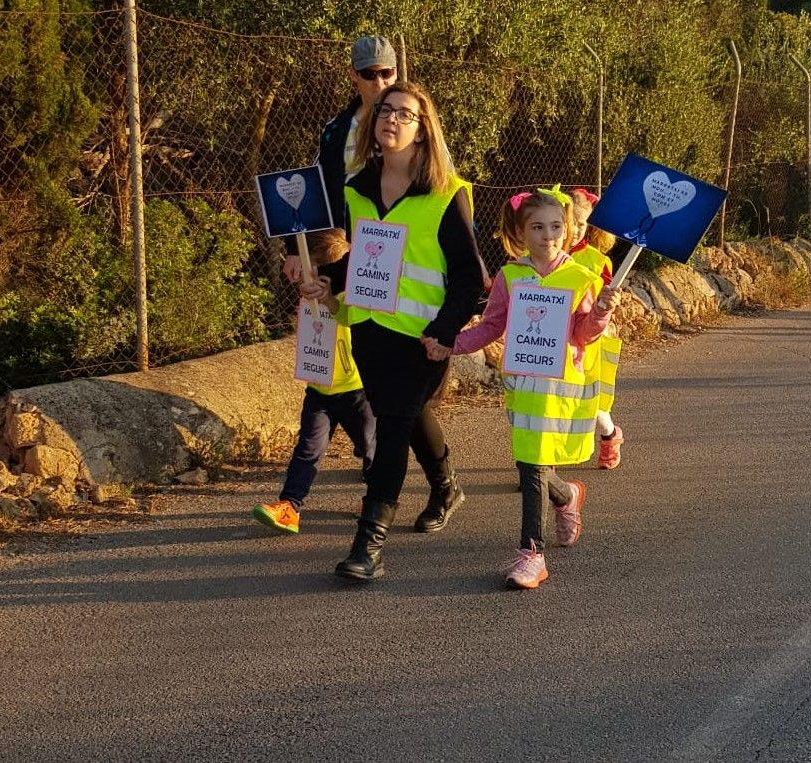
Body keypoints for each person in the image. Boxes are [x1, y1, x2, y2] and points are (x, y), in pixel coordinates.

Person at [303, 82, 486, 582]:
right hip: (366, 327)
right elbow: (361, 259)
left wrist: (446, 331)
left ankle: (369, 544)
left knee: (390, 429)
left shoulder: (446, 194)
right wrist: (324, 283)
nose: (392, 119)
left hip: (422, 338)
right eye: (386, 110)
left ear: (424, 130)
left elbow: (472, 278)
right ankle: (447, 486)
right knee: (403, 414)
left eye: (406, 114)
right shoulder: (355, 188)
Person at [437, 190, 620, 589]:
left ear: (569, 230)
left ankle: (531, 554)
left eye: (556, 227)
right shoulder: (510, 276)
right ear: (521, 232)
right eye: (537, 227)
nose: (548, 235)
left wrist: (602, 312)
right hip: (522, 385)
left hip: (559, 389)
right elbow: (492, 325)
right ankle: (566, 494)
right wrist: (451, 343)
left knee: (533, 464)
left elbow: (583, 334)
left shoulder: (581, 278)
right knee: (529, 464)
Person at [253, 231, 376, 534]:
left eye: (316, 270)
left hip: (355, 390)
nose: (308, 277)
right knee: (308, 448)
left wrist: (331, 301)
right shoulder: (306, 295)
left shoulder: (350, 295)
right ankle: (289, 505)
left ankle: (376, 499)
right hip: (319, 389)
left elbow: (351, 320)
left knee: (371, 448)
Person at [280, 35, 399, 285]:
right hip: (346, 251)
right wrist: (296, 249)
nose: (379, 82)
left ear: (396, 73)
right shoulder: (336, 131)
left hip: (400, 245)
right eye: (369, 74)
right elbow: (314, 188)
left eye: (386, 73)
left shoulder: (417, 126)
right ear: (353, 74)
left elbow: (446, 183)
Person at [567, 187, 624, 470]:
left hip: (587, 340)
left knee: (594, 404)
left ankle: (610, 436)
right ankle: (541, 466)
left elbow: (605, 303)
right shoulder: (544, 252)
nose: (575, 230)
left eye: (581, 224)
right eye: (570, 223)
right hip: (557, 341)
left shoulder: (598, 260)